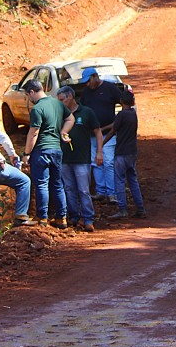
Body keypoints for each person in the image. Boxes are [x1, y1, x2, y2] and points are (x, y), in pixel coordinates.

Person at [22, 79, 75, 229]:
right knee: (57, 185)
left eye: (27, 95)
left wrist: (26, 154)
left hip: (42, 151)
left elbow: (33, 133)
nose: (28, 99)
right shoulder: (57, 103)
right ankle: (61, 218)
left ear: (32, 92)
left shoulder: (37, 109)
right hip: (57, 150)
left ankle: (42, 218)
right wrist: (63, 132)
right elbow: (71, 118)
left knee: (41, 184)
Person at [55, 86, 104, 232]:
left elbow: (98, 132)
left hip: (82, 159)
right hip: (65, 159)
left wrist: (99, 152)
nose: (60, 103)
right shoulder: (60, 115)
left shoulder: (86, 112)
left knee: (83, 190)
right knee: (69, 189)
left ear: (70, 97)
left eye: (62, 100)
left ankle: (88, 218)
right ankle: (74, 217)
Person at [79, 67, 123, 202]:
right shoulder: (86, 93)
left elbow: (125, 103)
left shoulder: (110, 88)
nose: (87, 84)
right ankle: (101, 191)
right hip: (92, 134)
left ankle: (111, 192)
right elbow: (81, 109)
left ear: (95, 77)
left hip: (108, 133)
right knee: (95, 163)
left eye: (88, 81)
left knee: (108, 162)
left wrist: (116, 123)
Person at [106, 91, 145, 219]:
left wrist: (102, 143)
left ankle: (122, 209)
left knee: (119, 181)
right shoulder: (133, 114)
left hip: (121, 152)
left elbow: (113, 131)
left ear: (121, 102)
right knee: (133, 180)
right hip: (132, 152)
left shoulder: (121, 115)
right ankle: (140, 208)